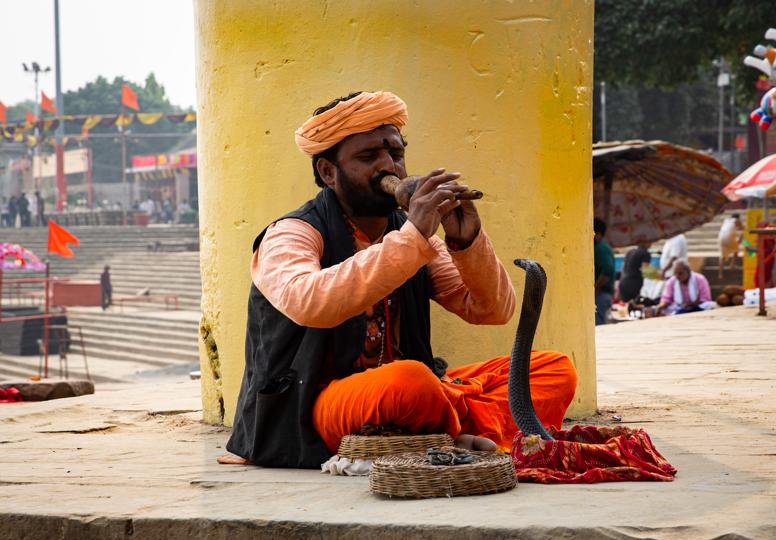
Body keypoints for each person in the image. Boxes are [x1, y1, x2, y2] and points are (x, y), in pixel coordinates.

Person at [221, 90, 578, 468]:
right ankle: (458, 434)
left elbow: (492, 310)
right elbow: (310, 303)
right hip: (319, 403)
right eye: (368, 156)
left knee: (553, 369)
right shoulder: (293, 233)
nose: (388, 167)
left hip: (409, 396)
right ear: (328, 172)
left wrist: (466, 241)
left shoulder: (411, 234)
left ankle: (447, 429)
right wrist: (414, 237)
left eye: (395, 153)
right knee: (411, 382)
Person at [593, 218, 615, 325]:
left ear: (597, 233)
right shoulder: (602, 246)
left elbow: (608, 271)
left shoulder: (600, 248)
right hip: (602, 294)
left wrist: (595, 289)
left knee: (599, 326)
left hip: (601, 294)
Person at [717, 213, 743, 278]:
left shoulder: (726, 221)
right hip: (729, 238)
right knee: (737, 249)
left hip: (721, 238)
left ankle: (720, 274)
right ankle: (732, 265)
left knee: (722, 256)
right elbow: (742, 228)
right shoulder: (736, 220)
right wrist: (741, 238)